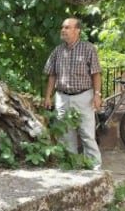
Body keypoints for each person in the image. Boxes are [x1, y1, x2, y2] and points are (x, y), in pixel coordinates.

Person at [43, 16, 102, 169]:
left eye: (67, 27)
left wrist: (97, 95)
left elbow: (96, 74)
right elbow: (52, 75)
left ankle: (95, 169)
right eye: (63, 27)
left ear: (77, 31)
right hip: (62, 97)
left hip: (84, 97)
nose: (63, 30)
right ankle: (72, 168)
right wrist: (48, 96)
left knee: (87, 134)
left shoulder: (88, 48)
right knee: (65, 136)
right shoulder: (58, 51)